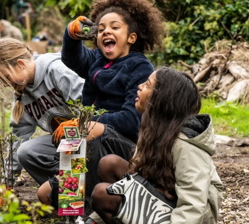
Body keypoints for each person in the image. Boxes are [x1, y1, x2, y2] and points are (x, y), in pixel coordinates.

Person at [37, 0, 166, 216]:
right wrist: (71, 34)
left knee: (87, 136)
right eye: (101, 29)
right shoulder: (96, 60)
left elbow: (132, 120)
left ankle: (86, 210)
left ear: (131, 38)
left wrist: (91, 124)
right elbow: (71, 58)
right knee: (43, 195)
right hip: (89, 136)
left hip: (125, 146)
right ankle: (71, 200)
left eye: (115, 27)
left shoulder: (139, 67)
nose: (106, 31)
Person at [91, 67, 223, 224]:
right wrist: (91, 220)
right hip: (162, 202)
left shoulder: (185, 144)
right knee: (110, 164)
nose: (139, 86)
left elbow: (194, 202)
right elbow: (134, 181)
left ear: (162, 99)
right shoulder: (155, 132)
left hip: (190, 216)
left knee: (102, 194)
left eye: (147, 85)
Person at [0, 37, 85, 189]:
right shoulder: (21, 94)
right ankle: (64, 191)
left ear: (21, 64)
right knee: (25, 151)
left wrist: (78, 122)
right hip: (67, 145)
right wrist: (6, 184)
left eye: (6, 77)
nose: (5, 84)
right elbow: (17, 141)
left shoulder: (57, 71)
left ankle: (84, 190)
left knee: (70, 136)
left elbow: (94, 107)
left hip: (93, 138)